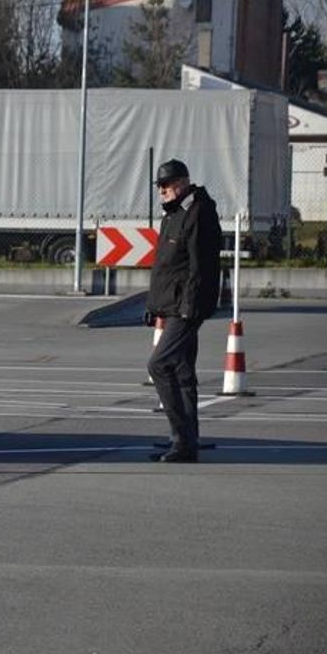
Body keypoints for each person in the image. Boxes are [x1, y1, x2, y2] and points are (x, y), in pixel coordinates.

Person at [145, 159, 223, 463]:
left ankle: (182, 438)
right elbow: (167, 267)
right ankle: (186, 441)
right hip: (173, 304)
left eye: (165, 186)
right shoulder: (174, 214)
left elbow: (199, 266)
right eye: (160, 187)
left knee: (159, 365)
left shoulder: (198, 212)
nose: (161, 192)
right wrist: (155, 307)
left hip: (188, 306)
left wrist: (190, 307)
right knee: (182, 371)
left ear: (180, 183)